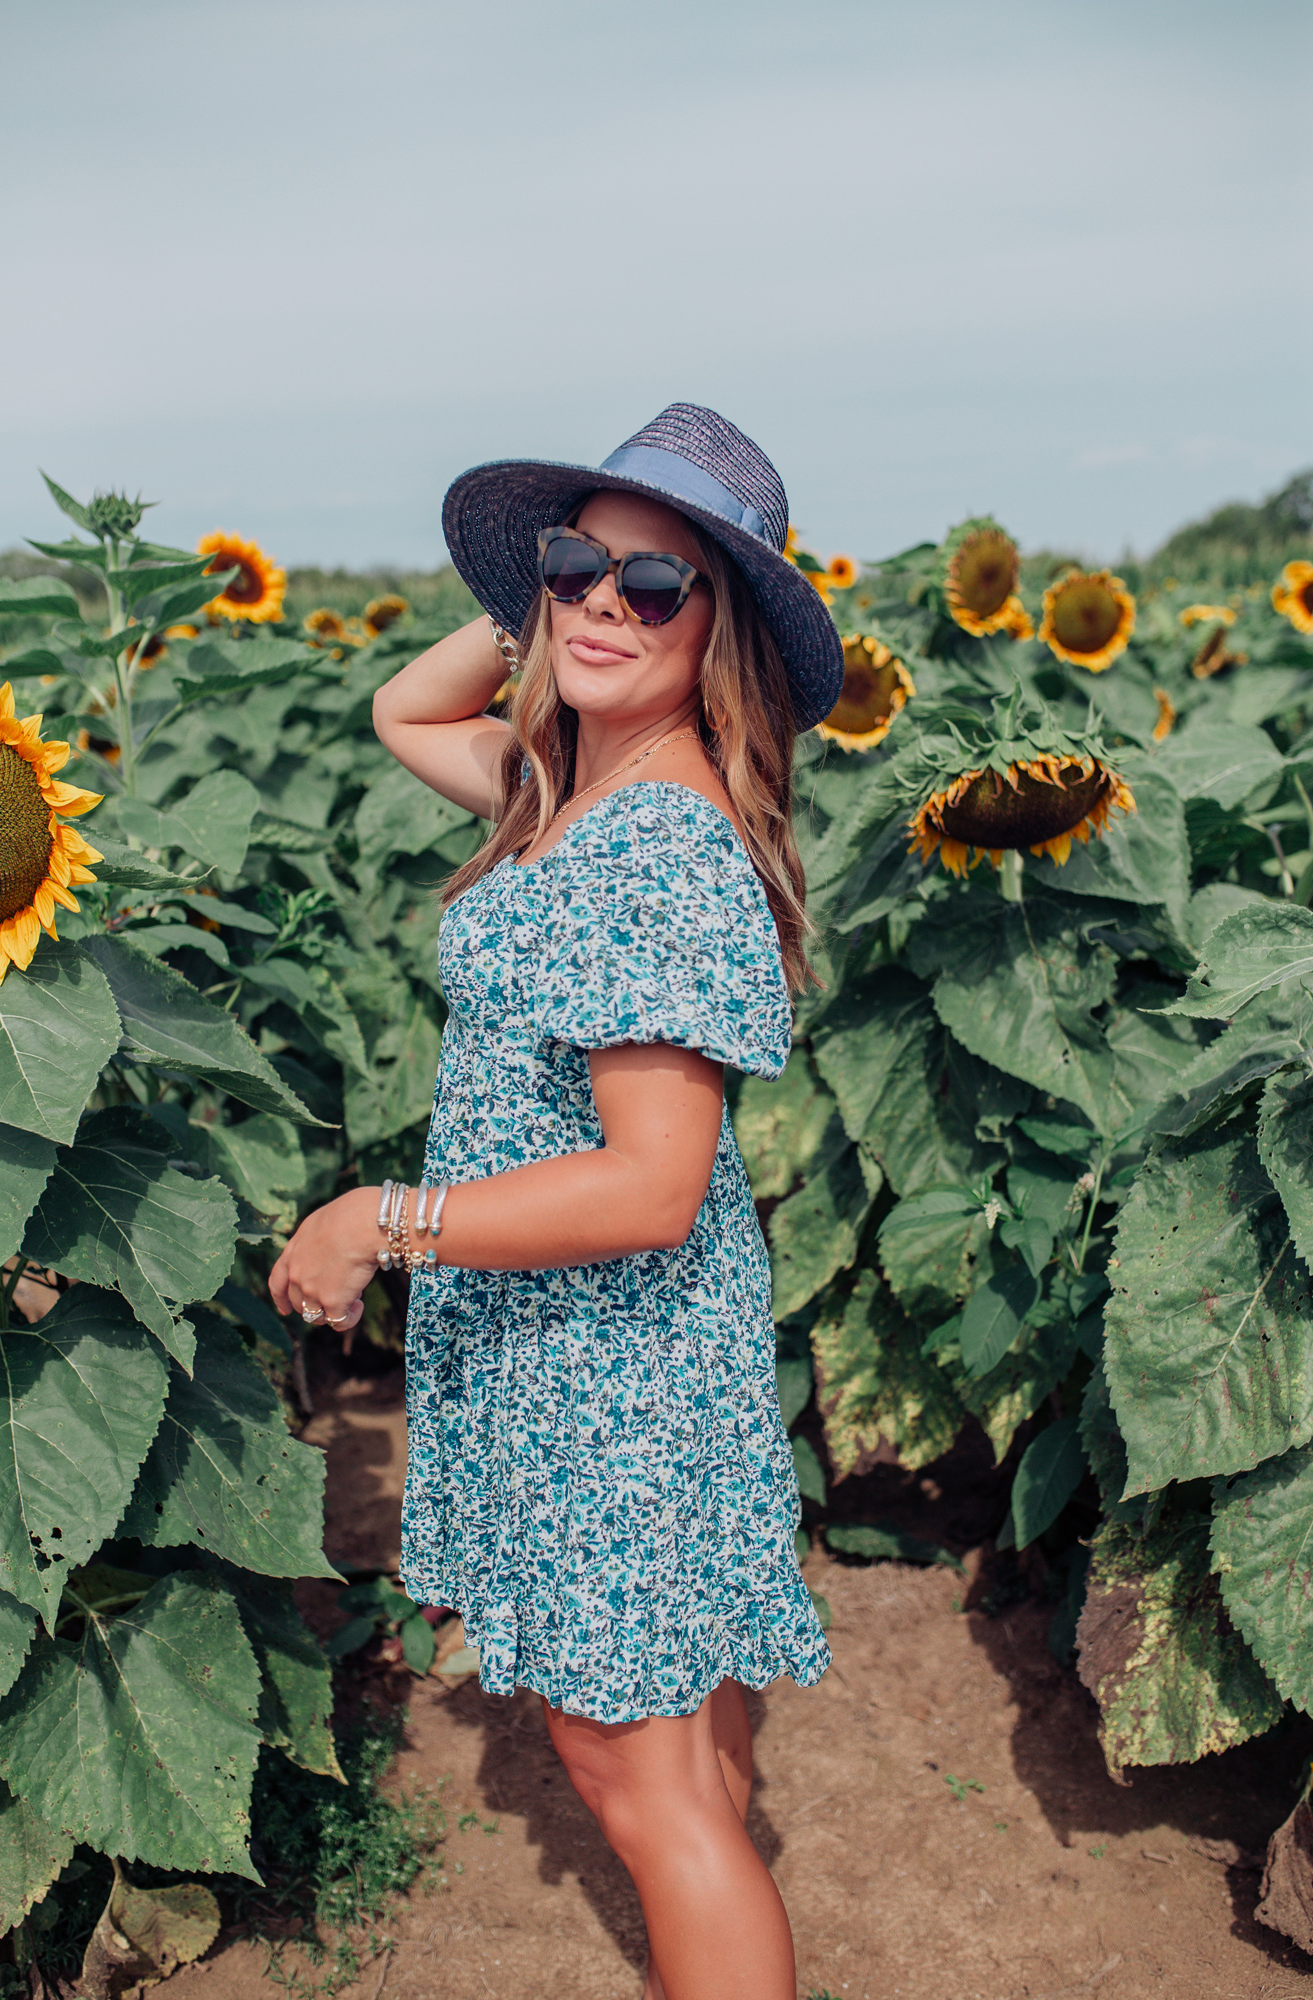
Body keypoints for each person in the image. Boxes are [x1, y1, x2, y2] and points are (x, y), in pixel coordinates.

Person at [269, 403, 844, 2000]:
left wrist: (379, 1219)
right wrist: (562, 598)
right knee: (692, 1771)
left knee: (642, 1793)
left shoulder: (653, 847)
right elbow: (402, 704)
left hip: (614, 1369)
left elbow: (651, 1187)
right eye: (575, 565)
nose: (600, 603)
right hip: (599, 1350)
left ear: (720, 631)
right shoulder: (564, 798)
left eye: (655, 587)